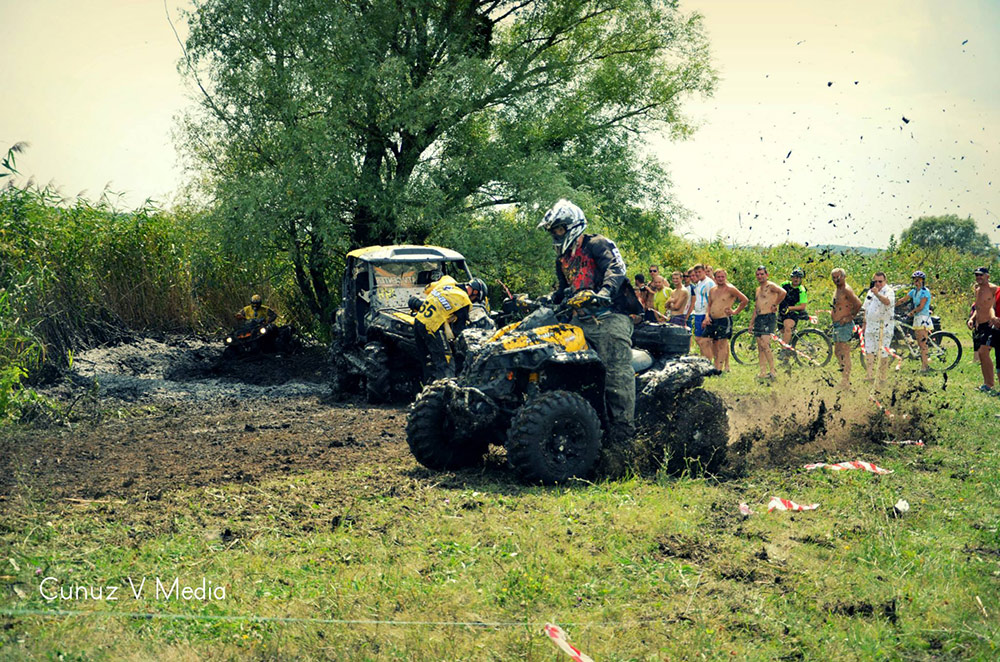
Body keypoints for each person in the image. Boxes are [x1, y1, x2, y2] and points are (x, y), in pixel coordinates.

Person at [538, 199, 642, 450]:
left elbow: (616, 269)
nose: (556, 234)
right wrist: (549, 299)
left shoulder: (597, 244)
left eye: (559, 229)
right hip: (578, 320)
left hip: (609, 316)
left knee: (616, 372)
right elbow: (564, 291)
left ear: (573, 225)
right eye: (553, 230)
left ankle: (623, 434)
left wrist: (605, 292)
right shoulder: (562, 259)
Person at [413, 277, 488, 381]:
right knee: (446, 363)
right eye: (475, 298)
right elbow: (459, 331)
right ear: (475, 292)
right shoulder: (465, 301)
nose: (473, 300)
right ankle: (443, 392)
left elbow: (427, 289)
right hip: (432, 327)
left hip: (418, 321)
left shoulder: (448, 281)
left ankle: (427, 387)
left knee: (426, 361)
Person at [704, 269, 748, 372]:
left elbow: (744, 300)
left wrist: (735, 311)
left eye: (722, 277)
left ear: (725, 277)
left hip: (724, 319)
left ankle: (720, 368)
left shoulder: (730, 289)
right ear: (715, 278)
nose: (720, 279)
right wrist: (707, 316)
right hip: (713, 319)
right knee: (712, 342)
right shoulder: (712, 290)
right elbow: (709, 305)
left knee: (722, 343)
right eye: (718, 277)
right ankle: (715, 365)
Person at [749, 265, 786, 381]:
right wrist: (751, 322)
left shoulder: (770, 286)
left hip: (768, 317)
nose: (760, 276)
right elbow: (756, 307)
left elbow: (783, 292)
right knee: (760, 346)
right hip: (759, 318)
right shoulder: (758, 289)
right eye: (758, 275)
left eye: (762, 274)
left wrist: (775, 304)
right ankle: (763, 371)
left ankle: (772, 370)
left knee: (765, 344)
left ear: (766, 275)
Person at [967, 267, 999, 394]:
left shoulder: (994, 289)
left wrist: (995, 318)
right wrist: (972, 318)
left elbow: (995, 306)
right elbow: (978, 307)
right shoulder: (977, 289)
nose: (978, 277)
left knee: (983, 352)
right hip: (980, 325)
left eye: (981, 275)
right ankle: (987, 384)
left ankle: (989, 384)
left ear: (988, 276)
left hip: (990, 325)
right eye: (976, 275)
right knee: (982, 354)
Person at [830, 268, 863, 390]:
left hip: (844, 325)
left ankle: (846, 381)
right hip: (837, 325)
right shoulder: (838, 289)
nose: (836, 279)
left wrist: (850, 317)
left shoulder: (846, 290)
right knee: (837, 352)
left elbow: (858, 304)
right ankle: (844, 378)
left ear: (844, 276)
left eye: (838, 277)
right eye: (834, 277)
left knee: (844, 352)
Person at [861, 271, 895, 387]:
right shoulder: (871, 292)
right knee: (869, 350)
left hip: (883, 326)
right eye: (875, 281)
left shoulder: (889, 291)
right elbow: (866, 308)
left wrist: (878, 294)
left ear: (885, 281)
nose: (878, 284)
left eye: (880, 281)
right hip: (870, 325)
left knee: (883, 352)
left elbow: (887, 302)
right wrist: (864, 323)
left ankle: (883, 377)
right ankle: (869, 375)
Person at [896, 271, 933, 372]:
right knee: (919, 342)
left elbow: (921, 307)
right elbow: (904, 300)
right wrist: (893, 305)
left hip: (923, 318)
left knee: (922, 344)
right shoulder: (914, 291)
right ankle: (925, 363)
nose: (916, 282)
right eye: (915, 280)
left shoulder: (925, 292)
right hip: (917, 318)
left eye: (918, 280)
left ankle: (925, 367)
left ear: (923, 281)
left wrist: (910, 313)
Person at [686, 264, 716, 360]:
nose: (698, 274)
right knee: (699, 339)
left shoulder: (709, 283)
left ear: (704, 271)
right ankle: (704, 360)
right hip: (698, 313)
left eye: (700, 272)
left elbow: (712, 300)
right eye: (696, 272)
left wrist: (708, 316)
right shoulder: (699, 283)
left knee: (704, 340)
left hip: (705, 313)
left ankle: (709, 361)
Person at [778, 267, 809, 358]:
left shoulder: (801, 290)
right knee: (783, 333)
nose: (796, 279)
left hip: (794, 313)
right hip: (782, 311)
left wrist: (790, 308)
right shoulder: (784, 285)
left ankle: (784, 351)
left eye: (799, 278)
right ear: (791, 277)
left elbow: (802, 306)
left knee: (787, 327)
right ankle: (787, 357)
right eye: (795, 277)